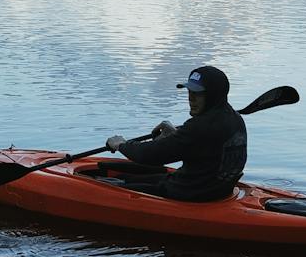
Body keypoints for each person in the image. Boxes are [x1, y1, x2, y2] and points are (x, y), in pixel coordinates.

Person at [101, 64, 248, 202]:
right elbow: (203, 146)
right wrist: (176, 135)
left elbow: (149, 156)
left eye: (198, 94)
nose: (191, 98)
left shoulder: (199, 127)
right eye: (189, 91)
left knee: (111, 188)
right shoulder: (235, 119)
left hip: (188, 195)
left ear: (213, 96)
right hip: (214, 191)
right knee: (126, 176)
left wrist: (122, 144)